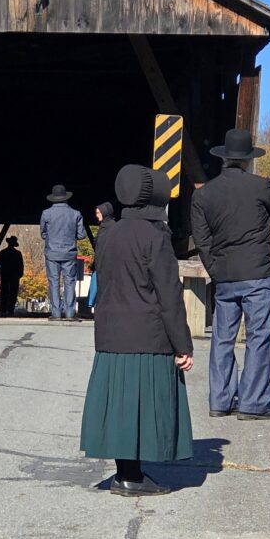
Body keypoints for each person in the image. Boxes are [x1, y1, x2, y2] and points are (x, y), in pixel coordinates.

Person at [80, 165, 194, 496]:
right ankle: (133, 476)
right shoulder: (155, 237)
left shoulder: (108, 234)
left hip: (111, 333)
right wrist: (182, 345)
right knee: (143, 407)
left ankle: (125, 472)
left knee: (121, 408)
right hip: (148, 333)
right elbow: (169, 296)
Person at [191, 128, 270, 420]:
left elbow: (202, 240)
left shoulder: (204, 195)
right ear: (248, 160)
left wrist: (215, 268)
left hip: (224, 277)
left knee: (222, 339)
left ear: (223, 159)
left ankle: (220, 401)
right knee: (258, 338)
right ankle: (252, 404)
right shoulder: (260, 186)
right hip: (258, 274)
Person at [40, 184, 86, 321]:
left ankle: (56, 313)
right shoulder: (75, 214)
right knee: (70, 281)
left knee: (54, 281)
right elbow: (82, 234)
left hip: (52, 253)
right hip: (69, 253)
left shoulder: (46, 214)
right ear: (66, 198)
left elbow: (43, 234)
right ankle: (70, 313)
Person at [88, 202, 116, 308]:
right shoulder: (103, 226)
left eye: (99, 213)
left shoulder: (112, 227)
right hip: (100, 263)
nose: (97, 215)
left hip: (107, 263)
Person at [0, 236, 24, 317]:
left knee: (4, 291)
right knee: (13, 292)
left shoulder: (2, 252)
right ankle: (10, 309)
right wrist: (20, 274)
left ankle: (4, 309)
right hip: (14, 276)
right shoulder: (18, 254)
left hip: (5, 275)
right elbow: (21, 266)